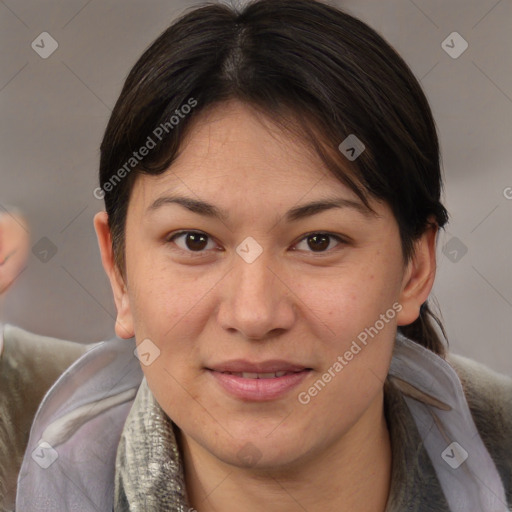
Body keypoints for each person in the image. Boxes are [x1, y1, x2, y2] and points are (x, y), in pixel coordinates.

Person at [1, 0, 511, 510]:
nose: (254, 314)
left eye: (318, 241)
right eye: (194, 241)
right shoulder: (22, 440)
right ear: (118, 271)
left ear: (414, 270)